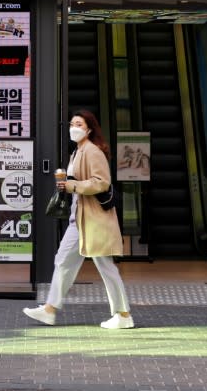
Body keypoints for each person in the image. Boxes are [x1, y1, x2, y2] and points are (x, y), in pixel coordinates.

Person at [23, 110, 134, 329]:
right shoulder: (78, 151)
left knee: (106, 266)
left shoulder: (93, 151)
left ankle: (123, 314)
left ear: (89, 129)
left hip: (94, 219)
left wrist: (73, 185)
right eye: (72, 123)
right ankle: (49, 310)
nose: (74, 127)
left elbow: (102, 182)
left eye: (79, 124)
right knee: (63, 260)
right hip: (80, 218)